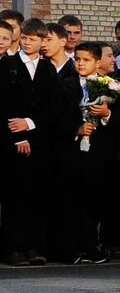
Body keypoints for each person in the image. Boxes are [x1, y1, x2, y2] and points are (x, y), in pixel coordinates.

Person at [2, 18, 58, 265]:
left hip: (41, 142)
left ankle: (34, 247)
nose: (27, 42)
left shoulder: (47, 69)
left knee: (38, 194)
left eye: (33, 39)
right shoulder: (9, 65)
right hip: (15, 142)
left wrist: (31, 123)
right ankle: (14, 248)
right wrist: (19, 135)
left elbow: (52, 106)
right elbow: (4, 103)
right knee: (16, 196)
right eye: (24, 37)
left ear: (42, 41)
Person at [37, 22, 84, 265]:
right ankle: (44, 245)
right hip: (44, 142)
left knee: (66, 198)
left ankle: (66, 246)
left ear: (63, 41)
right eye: (42, 40)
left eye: (49, 39)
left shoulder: (73, 69)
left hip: (68, 143)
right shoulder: (41, 68)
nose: (44, 44)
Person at [67, 41, 114, 263]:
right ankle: (73, 246)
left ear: (97, 62)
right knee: (73, 199)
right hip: (73, 152)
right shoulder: (65, 85)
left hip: (98, 153)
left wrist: (106, 114)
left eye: (85, 60)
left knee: (94, 200)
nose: (80, 64)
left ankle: (91, 244)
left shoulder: (109, 86)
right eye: (77, 59)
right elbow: (55, 115)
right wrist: (75, 128)